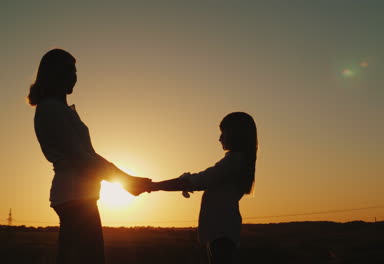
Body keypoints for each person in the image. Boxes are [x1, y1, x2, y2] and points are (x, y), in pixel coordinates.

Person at [28, 48, 150, 264]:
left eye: (75, 71)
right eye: (68, 71)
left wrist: (126, 180)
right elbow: (83, 159)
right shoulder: (50, 109)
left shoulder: (59, 109)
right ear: (54, 74)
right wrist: (126, 181)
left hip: (78, 196)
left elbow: (87, 156)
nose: (74, 76)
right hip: (75, 197)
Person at [148, 112, 258, 264]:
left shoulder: (234, 161)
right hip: (222, 231)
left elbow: (197, 181)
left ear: (235, 134)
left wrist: (152, 186)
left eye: (223, 133)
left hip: (222, 232)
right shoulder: (237, 161)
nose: (220, 138)